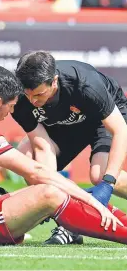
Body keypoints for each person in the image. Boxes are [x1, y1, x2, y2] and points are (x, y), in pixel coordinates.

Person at [0, 65, 127, 246]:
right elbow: (36, 170)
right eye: (10, 107)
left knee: (54, 189)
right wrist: (91, 201)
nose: (7, 115)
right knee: (49, 193)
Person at [13, 51, 127, 245]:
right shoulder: (20, 98)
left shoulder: (86, 85)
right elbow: (42, 145)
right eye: (29, 95)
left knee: (99, 174)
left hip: (102, 118)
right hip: (67, 120)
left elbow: (120, 130)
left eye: (39, 94)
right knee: (27, 160)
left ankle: (71, 222)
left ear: (54, 82)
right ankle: (71, 227)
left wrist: (107, 184)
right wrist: (48, 191)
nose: (33, 101)